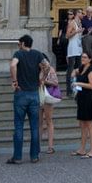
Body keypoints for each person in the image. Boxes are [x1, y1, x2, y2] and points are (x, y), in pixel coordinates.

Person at [8, 34, 51, 165]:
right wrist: (42, 79)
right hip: (34, 94)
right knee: (34, 127)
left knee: (19, 126)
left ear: (22, 44)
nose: (18, 46)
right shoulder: (37, 54)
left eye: (19, 43)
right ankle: (34, 156)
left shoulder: (18, 54)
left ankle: (17, 157)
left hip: (21, 93)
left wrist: (15, 81)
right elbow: (47, 66)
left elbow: (13, 65)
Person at [72, 51, 92, 158]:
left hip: (89, 99)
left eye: (85, 57)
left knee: (90, 125)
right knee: (82, 125)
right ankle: (82, 149)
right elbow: (75, 71)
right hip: (82, 99)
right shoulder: (82, 67)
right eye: (82, 57)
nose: (82, 58)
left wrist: (79, 83)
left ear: (90, 59)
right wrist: (74, 73)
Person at [40, 61, 62, 155]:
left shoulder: (50, 69)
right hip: (37, 96)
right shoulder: (36, 69)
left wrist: (45, 81)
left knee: (49, 121)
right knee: (38, 122)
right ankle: (37, 146)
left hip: (46, 96)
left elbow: (56, 82)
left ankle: (50, 146)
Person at [65, 9, 82, 96]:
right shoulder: (72, 23)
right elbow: (67, 35)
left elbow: (78, 36)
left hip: (79, 48)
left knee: (79, 68)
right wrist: (76, 31)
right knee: (70, 68)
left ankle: (78, 89)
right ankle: (69, 90)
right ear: (76, 14)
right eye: (80, 12)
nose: (82, 14)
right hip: (72, 48)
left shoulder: (80, 23)